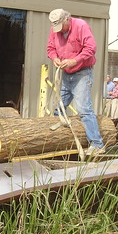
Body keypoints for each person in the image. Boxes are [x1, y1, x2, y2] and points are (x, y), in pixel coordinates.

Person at [46, 8, 105, 156]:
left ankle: (97, 144)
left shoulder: (81, 26)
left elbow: (91, 48)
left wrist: (74, 60)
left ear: (67, 19)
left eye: (61, 27)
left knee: (84, 109)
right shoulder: (54, 30)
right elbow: (50, 48)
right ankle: (55, 142)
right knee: (58, 109)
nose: (58, 31)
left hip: (82, 73)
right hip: (66, 74)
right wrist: (54, 58)